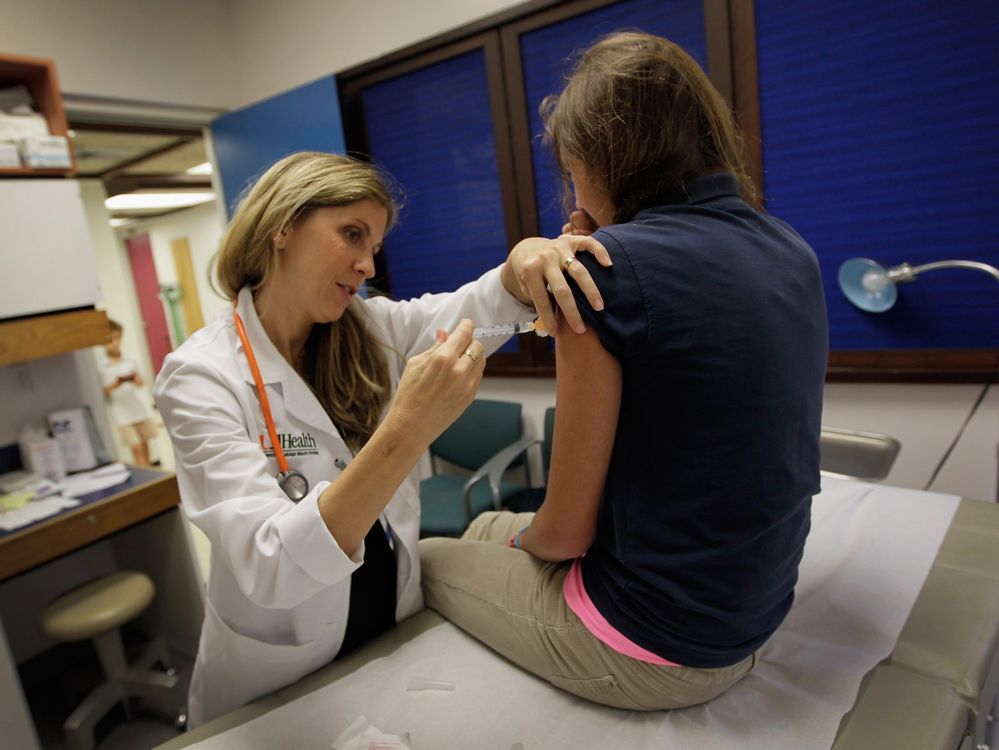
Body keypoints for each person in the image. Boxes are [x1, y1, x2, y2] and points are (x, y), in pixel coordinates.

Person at [420, 31, 829, 711]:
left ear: (597, 160)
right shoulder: (790, 249)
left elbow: (565, 535)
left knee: (431, 556)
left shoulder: (603, 272)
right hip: (755, 609)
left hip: (659, 649)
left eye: (571, 173)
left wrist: (527, 538)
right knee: (487, 531)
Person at [153, 151, 610, 727]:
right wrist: (408, 428)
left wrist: (523, 260)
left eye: (375, 246)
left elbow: (479, 309)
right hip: (277, 682)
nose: (368, 264)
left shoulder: (368, 329)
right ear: (283, 226)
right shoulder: (200, 376)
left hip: (389, 622)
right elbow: (272, 563)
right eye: (352, 235)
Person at [99, 319, 158, 467]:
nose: (115, 342)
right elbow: (103, 391)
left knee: (145, 443)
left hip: (138, 406)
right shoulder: (101, 365)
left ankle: (149, 470)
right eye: (110, 340)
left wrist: (134, 380)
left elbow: (142, 382)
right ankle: (145, 473)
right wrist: (115, 384)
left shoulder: (131, 359)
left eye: (117, 338)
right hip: (121, 412)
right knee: (135, 447)